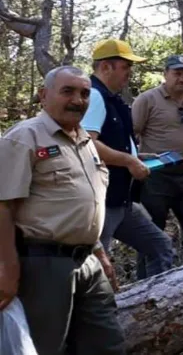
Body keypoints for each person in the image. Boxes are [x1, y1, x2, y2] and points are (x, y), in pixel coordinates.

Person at [0, 66, 126, 354]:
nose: (78, 100)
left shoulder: (85, 142)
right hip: (43, 264)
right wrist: (6, 267)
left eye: (84, 93)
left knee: (107, 344)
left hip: (88, 262)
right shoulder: (24, 138)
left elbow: (80, 205)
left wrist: (99, 254)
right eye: (67, 91)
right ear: (44, 96)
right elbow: (3, 206)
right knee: (45, 347)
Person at [82, 39, 174, 278]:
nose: (130, 73)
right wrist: (129, 161)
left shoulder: (111, 98)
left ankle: (154, 304)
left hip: (121, 200)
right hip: (102, 202)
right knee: (96, 268)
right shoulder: (94, 96)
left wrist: (137, 155)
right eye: (125, 66)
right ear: (105, 67)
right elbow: (87, 144)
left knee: (160, 246)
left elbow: (109, 140)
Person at [132, 55, 183, 267]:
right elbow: (131, 136)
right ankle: (147, 285)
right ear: (165, 74)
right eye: (177, 73)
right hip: (155, 176)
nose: (182, 79)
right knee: (151, 234)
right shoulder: (147, 99)